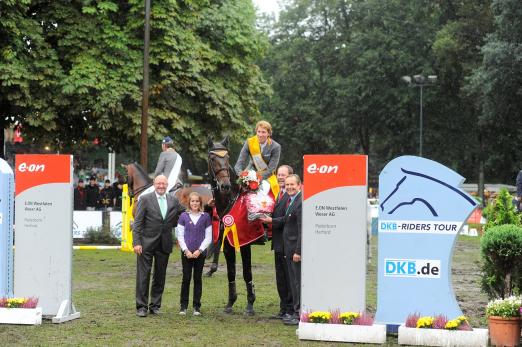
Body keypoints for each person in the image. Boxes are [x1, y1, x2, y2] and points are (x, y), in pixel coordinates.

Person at [132, 175, 183, 317]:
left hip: (164, 243)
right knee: (143, 276)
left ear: (167, 185)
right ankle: (141, 307)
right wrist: (136, 242)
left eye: (164, 184)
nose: (161, 186)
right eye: (158, 183)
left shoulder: (173, 200)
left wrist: (206, 209)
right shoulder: (145, 199)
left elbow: (185, 213)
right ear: (154, 184)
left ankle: (155, 305)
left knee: (160, 276)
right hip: (145, 244)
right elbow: (137, 223)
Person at [260, 174, 302, 326]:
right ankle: (295, 312)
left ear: (299, 185)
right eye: (288, 184)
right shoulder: (292, 201)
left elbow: (302, 228)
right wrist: (271, 220)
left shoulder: (300, 202)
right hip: (288, 248)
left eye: (293, 185)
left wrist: (299, 251)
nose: (289, 187)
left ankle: (298, 314)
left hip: (294, 250)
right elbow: (285, 220)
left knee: (297, 283)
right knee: (292, 281)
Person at [177, 192, 212, 316]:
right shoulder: (183, 216)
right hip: (186, 253)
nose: (195, 203)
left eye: (197, 201)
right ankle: (183, 306)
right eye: (192, 201)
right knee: (186, 278)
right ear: (189, 203)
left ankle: (196, 307)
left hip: (199, 254)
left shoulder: (206, 216)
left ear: (200, 203)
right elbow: (180, 235)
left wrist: (199, 250)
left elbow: (208, 237)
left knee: (197, 279)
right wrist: (186, 250)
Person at [268, 165, 294, 320]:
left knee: (289, 278)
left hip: (287, 243)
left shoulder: (291, 196)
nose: (280, 177)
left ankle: (290, 309)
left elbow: (286, 219)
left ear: (290, 176)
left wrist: (270, 220)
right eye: (278, 174)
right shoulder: (278, 193)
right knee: (280, 278)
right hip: (278, 243)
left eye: (283, 175)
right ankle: (283, 308)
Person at [234, 120, 281, 196]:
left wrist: (257, 179)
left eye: (263, 132)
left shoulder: (275, 147)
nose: (260, 135)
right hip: (249, 173)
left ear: (269, 133)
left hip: (266, 176)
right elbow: (238, 165)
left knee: (264, 189)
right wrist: (242, 177)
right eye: (258, 131)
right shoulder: (250, 142)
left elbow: (271, 169)